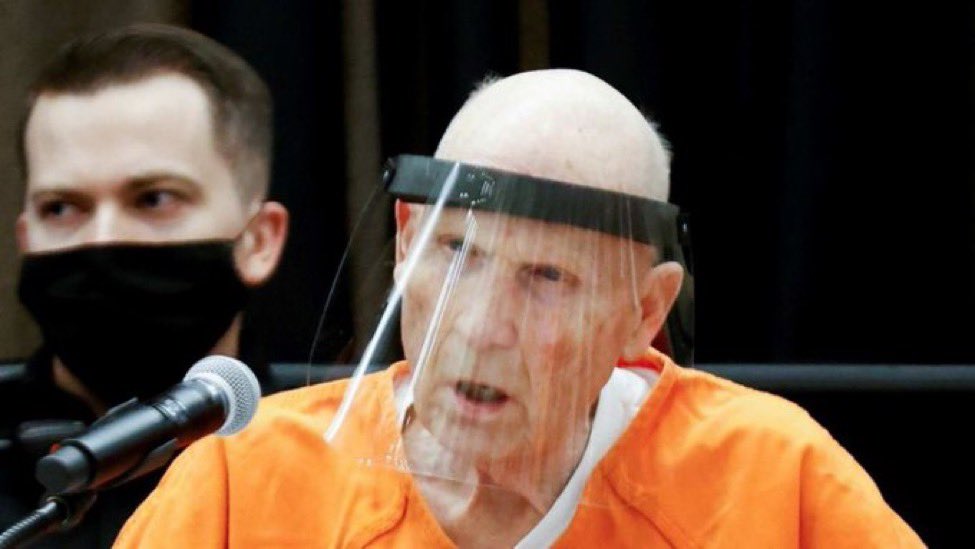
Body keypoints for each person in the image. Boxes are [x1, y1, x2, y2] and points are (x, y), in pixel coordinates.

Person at [115, 69, 920, 547]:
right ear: (406, 242)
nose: (477, 326)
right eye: (455, 252)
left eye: (547, 276)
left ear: (643, 310)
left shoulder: (769, 481)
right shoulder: (243, 482)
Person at [0, 24, 288, 547]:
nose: (102, 239)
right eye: (61, 208)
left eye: (154, 199)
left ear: (259, 241)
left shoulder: (346, 465)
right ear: (26, 237)